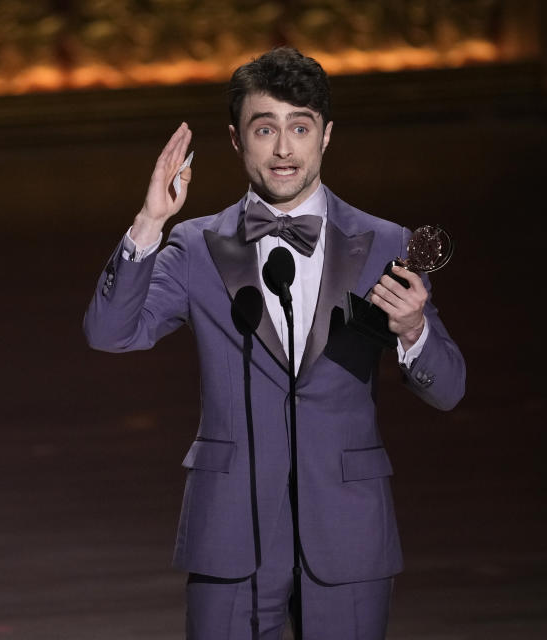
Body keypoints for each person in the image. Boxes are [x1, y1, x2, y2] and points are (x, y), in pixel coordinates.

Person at [83, 47, 465, 640]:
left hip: (346, 531)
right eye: (265, 129)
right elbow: (109, 333)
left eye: (300, 127)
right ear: (237, 142)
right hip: (231, 530)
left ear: (326, 136)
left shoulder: (387, 243)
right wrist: (148, 224)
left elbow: (450, 389)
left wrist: (415, 331)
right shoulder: (194, 245)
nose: (284, 149)